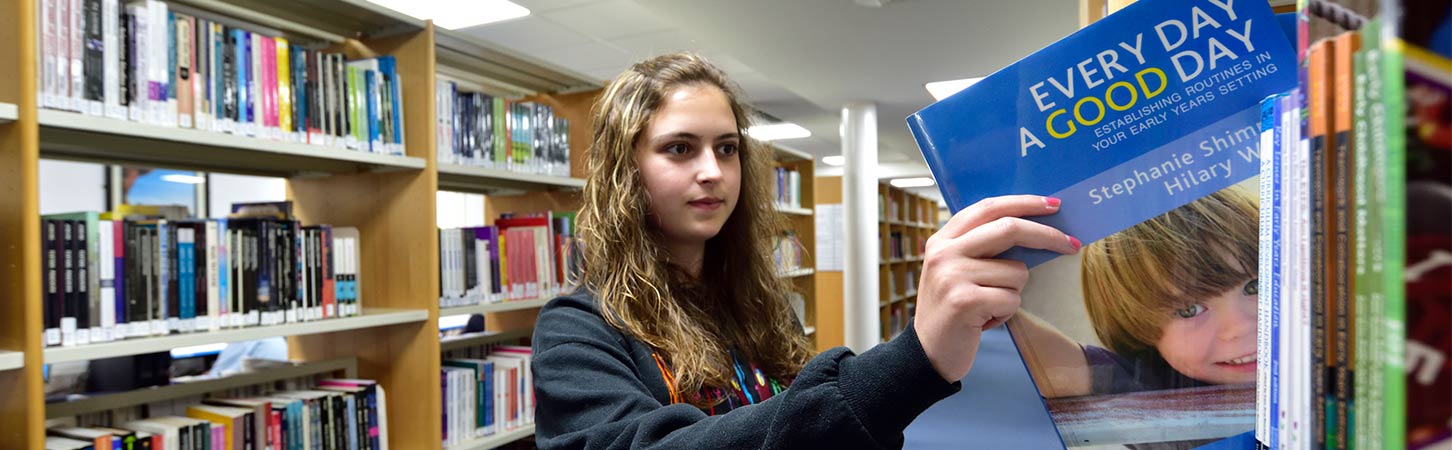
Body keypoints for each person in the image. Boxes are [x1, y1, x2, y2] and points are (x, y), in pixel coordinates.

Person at [531, 52, 1080, 449]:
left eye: (727, 149)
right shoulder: (577, 329)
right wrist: (915, 358)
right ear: (626, 170)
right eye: (679, 149)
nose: (712, 172)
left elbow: (805, 429)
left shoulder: (750, 303)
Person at [1010, 187, 1260, 398]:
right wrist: (976, 290)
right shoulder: (1154, 394)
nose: (1238, 327)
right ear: (1137, 331)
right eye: (1188, 310)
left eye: (1254, 287)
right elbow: (1042, 358)